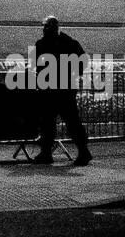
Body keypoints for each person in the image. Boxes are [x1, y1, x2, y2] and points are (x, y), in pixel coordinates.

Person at [31, 16, 92, 166]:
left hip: (56, 88)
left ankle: (78, 151)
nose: (45, 29)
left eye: (47, 26)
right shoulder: (68, 43)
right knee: (55, 122)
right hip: (61, 88)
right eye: (45, 26)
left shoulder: (49, 43)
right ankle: (79, 151)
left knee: (58, 122)